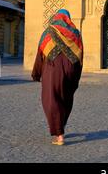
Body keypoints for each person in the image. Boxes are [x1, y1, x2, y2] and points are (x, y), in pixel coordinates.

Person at [32, 9, 83, 145]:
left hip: (52, 69)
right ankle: (61, 126)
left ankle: (59, 134)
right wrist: (76, 75)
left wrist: (36, 73)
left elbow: (40, 53)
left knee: (51, 99)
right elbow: (80, 56)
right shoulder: (76, 33)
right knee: (66, 97)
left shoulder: (49, 31)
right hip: (71, 69)